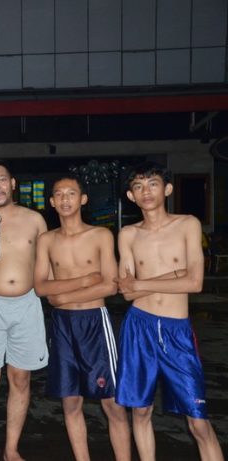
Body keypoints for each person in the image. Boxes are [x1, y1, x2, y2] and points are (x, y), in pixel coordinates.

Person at [115, 162, 224, 461]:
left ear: (167, 189)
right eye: (138, 186)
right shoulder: (128, 234)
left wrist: (142, 282)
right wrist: (174, 275)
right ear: (131, 196)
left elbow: (195, 282)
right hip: (139, 327)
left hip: (177, 330)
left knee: (198, 420)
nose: (146, 191)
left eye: (153, 183)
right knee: (140, 411)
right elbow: (127, 292)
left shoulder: (187, 224)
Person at [33, 175, 131, 461]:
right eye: (59, 194)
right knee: (71, 402)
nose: (65, 199)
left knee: (112, 403)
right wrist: (85, 280)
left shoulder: (100, 235)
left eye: (71, 193)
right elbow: (41, 287)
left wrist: (61, 297)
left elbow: (110, 285)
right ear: (51, 202)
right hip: (63, 326)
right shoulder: (46, 240)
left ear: (83, 199)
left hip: (94, 323)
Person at [0, 160, 48, 461]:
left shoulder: (35, 220)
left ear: (12, 183)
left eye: (1, 179)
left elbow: (45, 266)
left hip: (27, 304)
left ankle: (11, 449)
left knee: (20, 379)